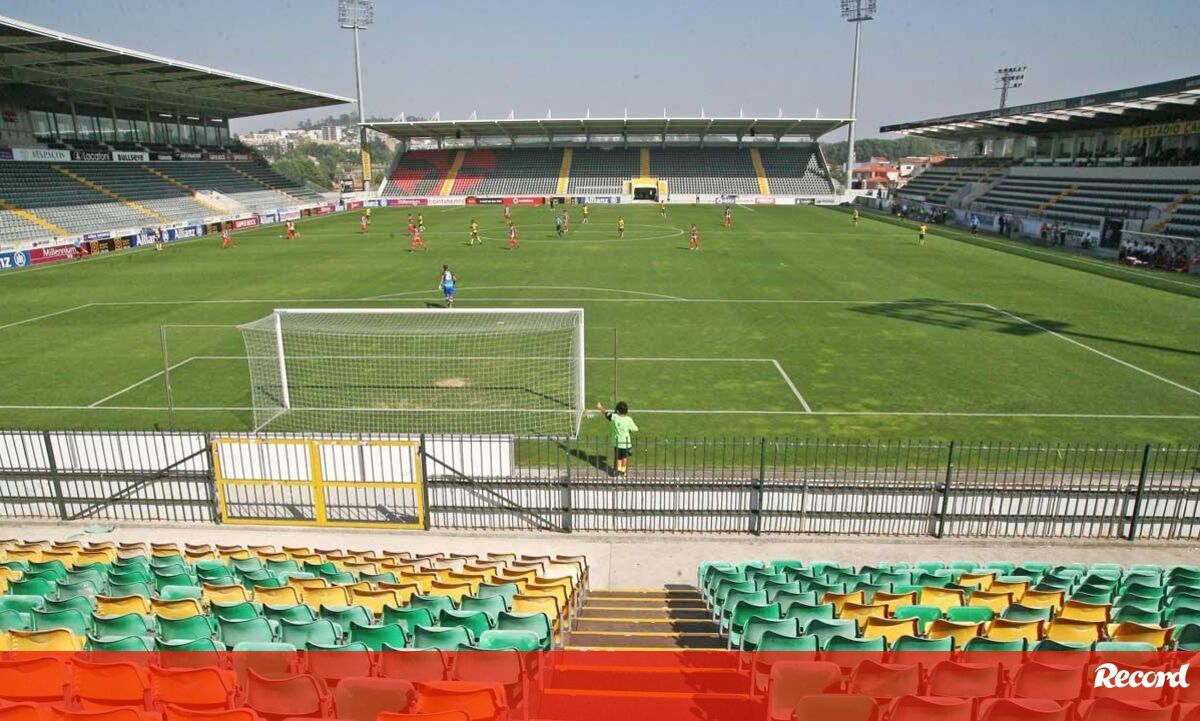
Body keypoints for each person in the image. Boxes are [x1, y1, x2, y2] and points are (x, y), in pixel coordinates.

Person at [597, 400, 638, 477]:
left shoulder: (615, 417)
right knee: (624, 458)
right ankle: (623, 472)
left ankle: (618, 472)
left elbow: (606, 413)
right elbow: (635, 429)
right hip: (626, 443)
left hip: (617, 443)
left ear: (618, 411)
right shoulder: (629, 419)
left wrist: (600, 407)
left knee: (618, 458)